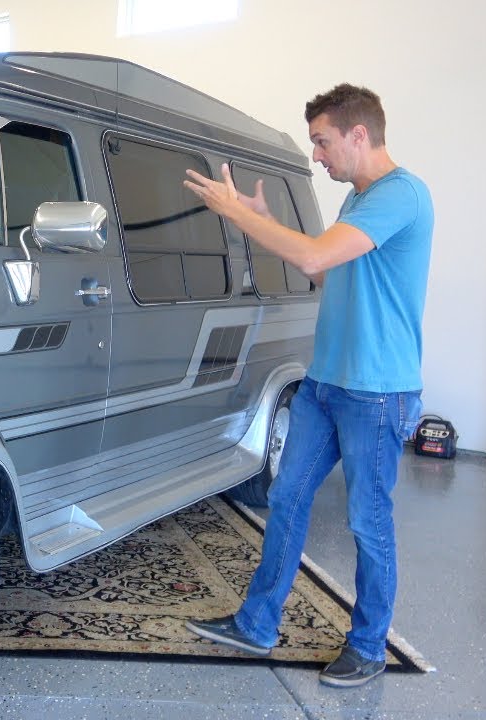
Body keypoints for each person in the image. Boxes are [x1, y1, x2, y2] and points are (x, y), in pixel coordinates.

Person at [181, 84, 433, 688]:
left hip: (377, 393)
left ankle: (369, 645)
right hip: (326, 384)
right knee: (287, 497)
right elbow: (315, 258)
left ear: (358, 134)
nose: (318, 156)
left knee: (368, 522)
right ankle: (257, 624)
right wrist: (264, 219)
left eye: (322, 142)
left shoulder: (403, 196)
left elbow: (317, 259)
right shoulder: (357, 199)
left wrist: (237, 214)